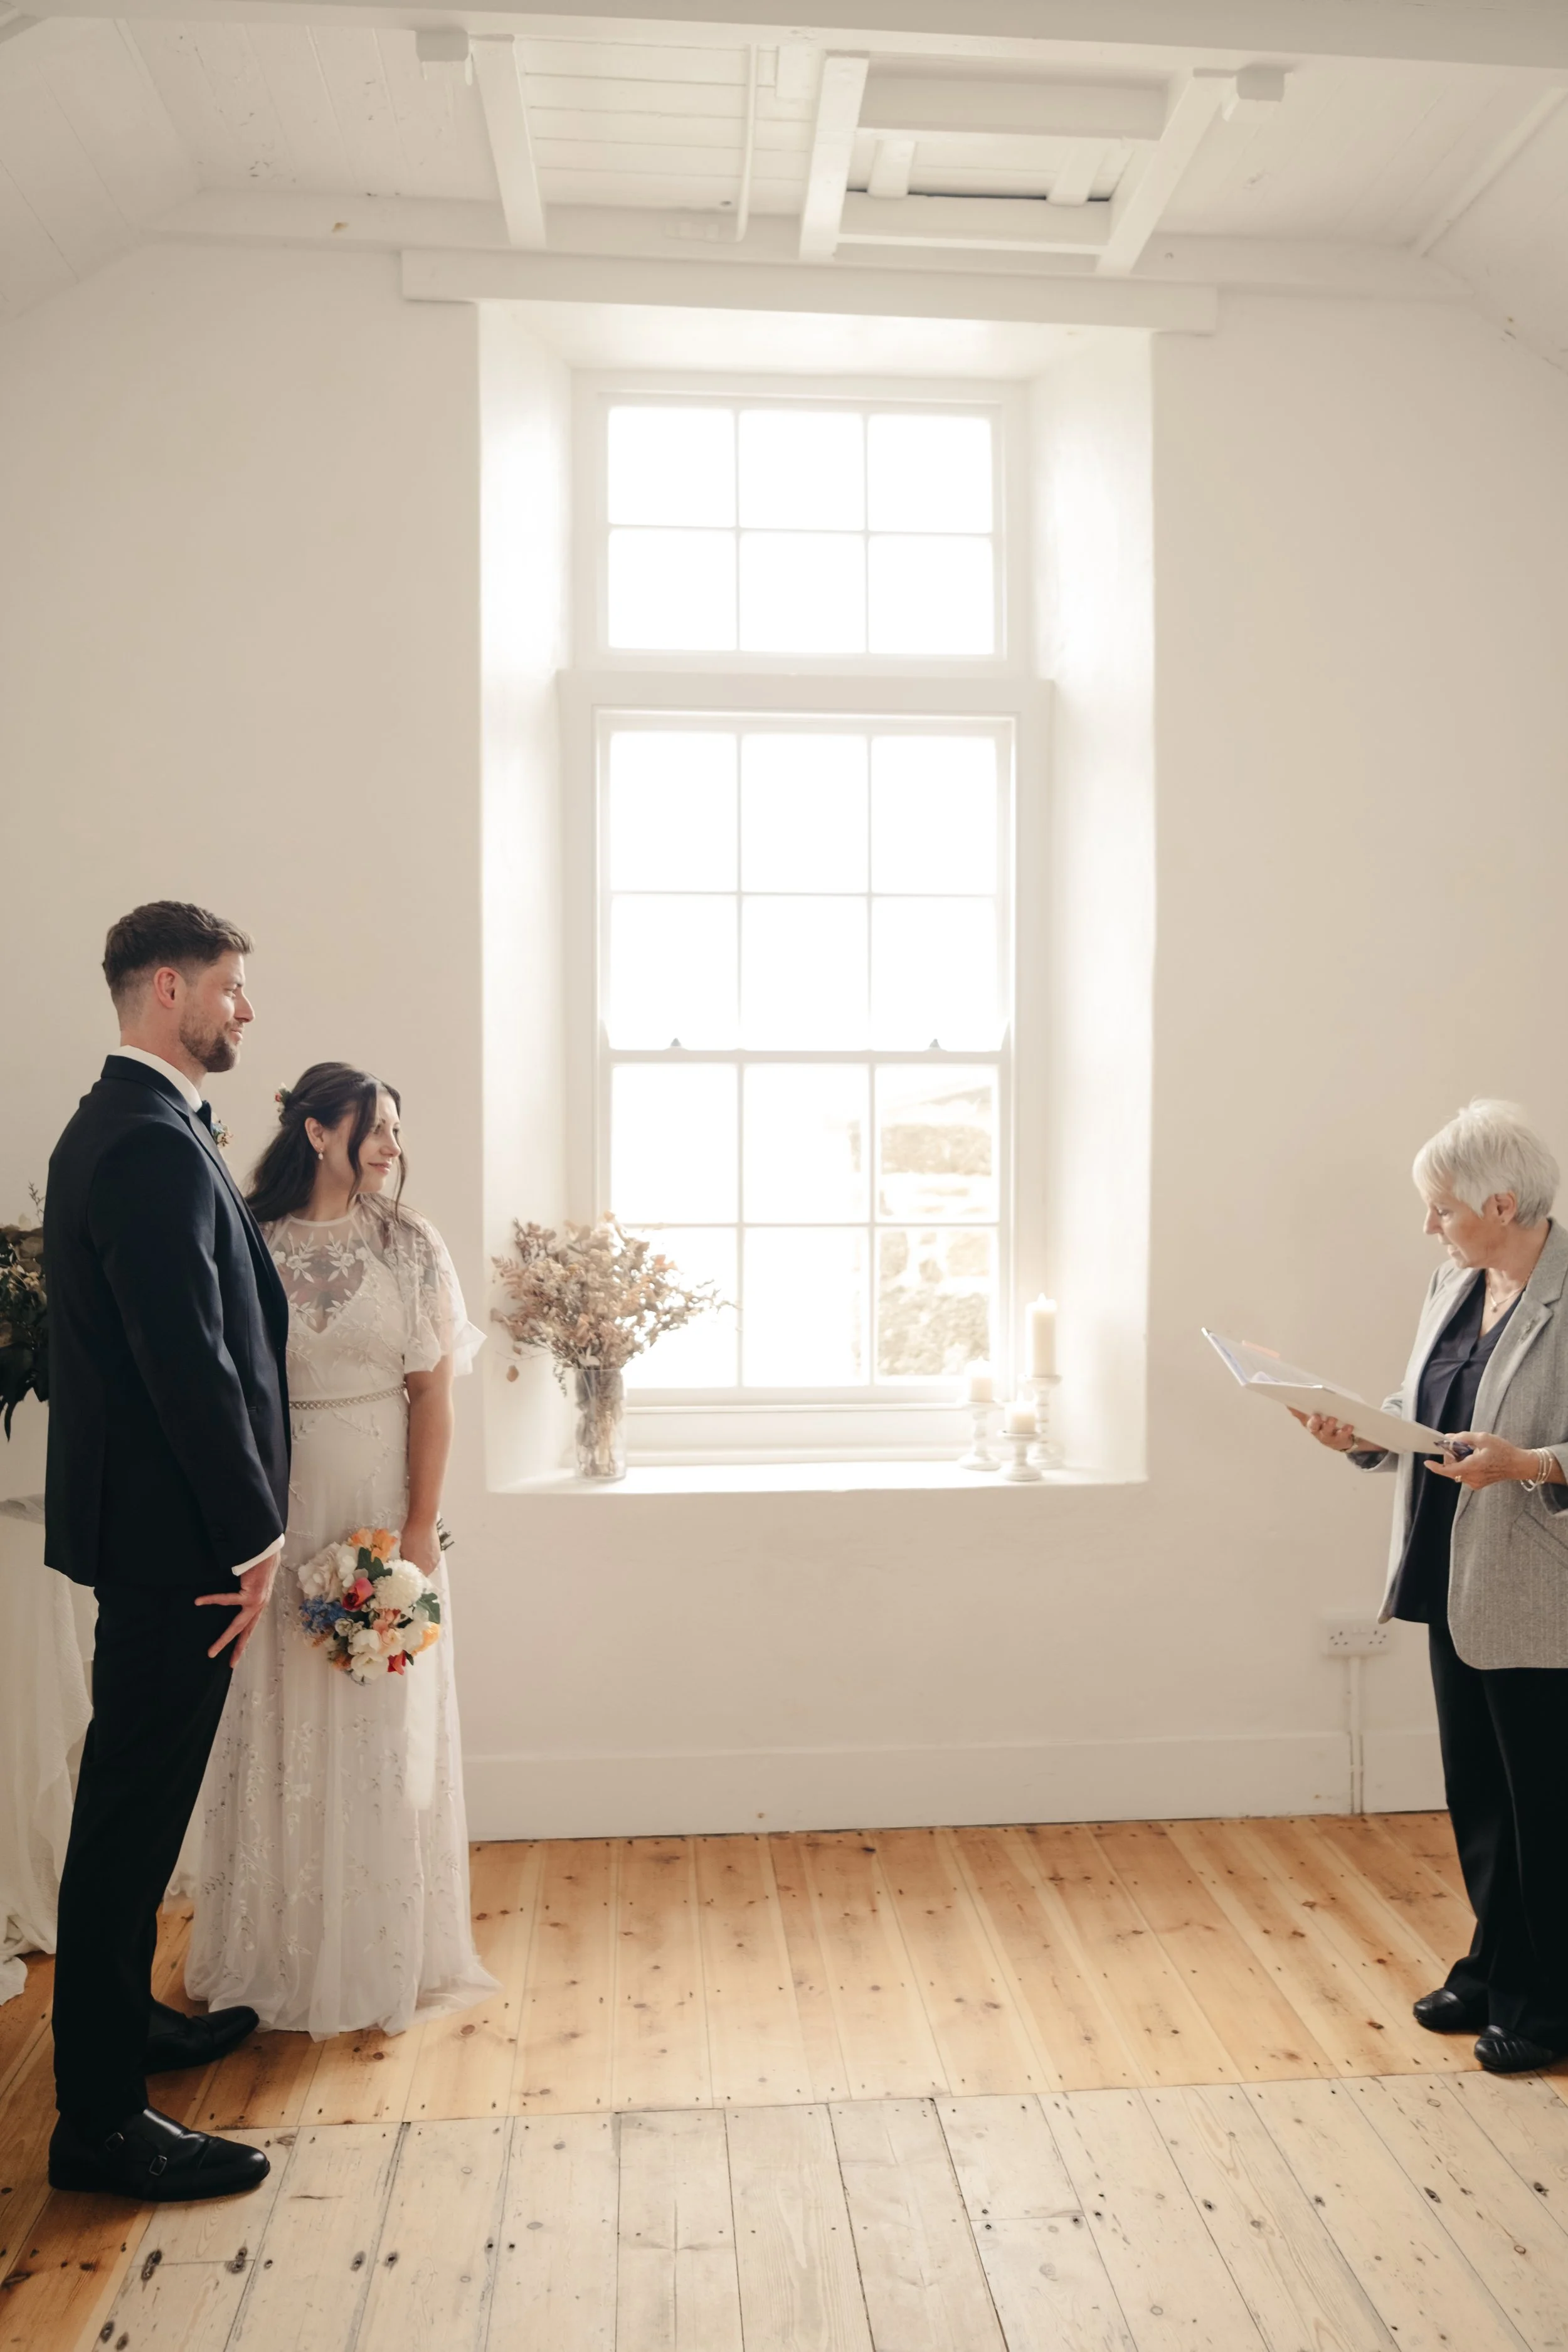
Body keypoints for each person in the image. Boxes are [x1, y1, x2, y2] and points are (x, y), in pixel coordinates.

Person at [45, 902, 287, 2203]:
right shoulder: (141, 1143)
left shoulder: (135, 1127)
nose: (244, 1011)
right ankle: (98, 2123)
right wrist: (253, 1532)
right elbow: (182, 1358)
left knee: (134, 1809)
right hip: (178, 1545)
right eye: (231, 990)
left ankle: (120, 2027)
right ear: (166, 987)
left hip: (156, 1536)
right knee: (130, 1815)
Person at [186, 1064, 495, 2037]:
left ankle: (380, 1944)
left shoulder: (411, 1245)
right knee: (274, 1714)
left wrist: (416, 1529)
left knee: (378, 1717)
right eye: (376, 1126)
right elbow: (224, 1384)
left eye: (398, 1130)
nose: (392, 1146)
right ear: (318, 1130)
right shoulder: (250, 1237)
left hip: (378, 1503)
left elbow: (433, 1394)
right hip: (278, 1505)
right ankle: (276, 1946)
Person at [1298, 1098, 1568, 2074]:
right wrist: (1363, 1431)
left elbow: (1538, 1449)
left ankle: (1550, 2006)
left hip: (1540, 1590)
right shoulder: (1454, 1282)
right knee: (1480, 1792)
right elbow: (1427, 1410)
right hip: (1448, 1565)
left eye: (1441, 1208)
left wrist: (1529, 1463)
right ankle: (1495, 1967)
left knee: (1548, 1805)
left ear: (1502, 1202)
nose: (1429, 1227)